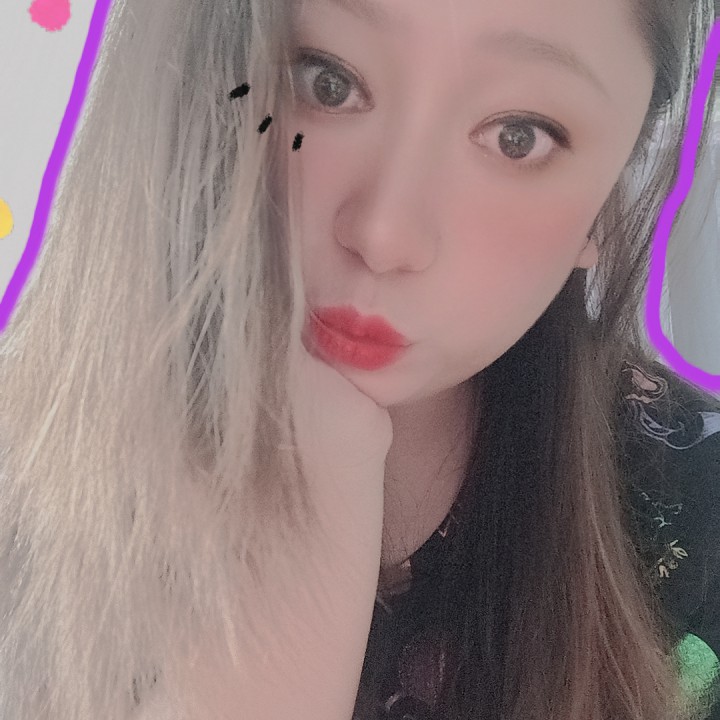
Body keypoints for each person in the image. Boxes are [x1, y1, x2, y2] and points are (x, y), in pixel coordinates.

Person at [0, 0, 717, 718]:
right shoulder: (23, 474)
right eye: (327, 82)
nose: (384, 235)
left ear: (605, 200)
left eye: (518, 137)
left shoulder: (698, 509)